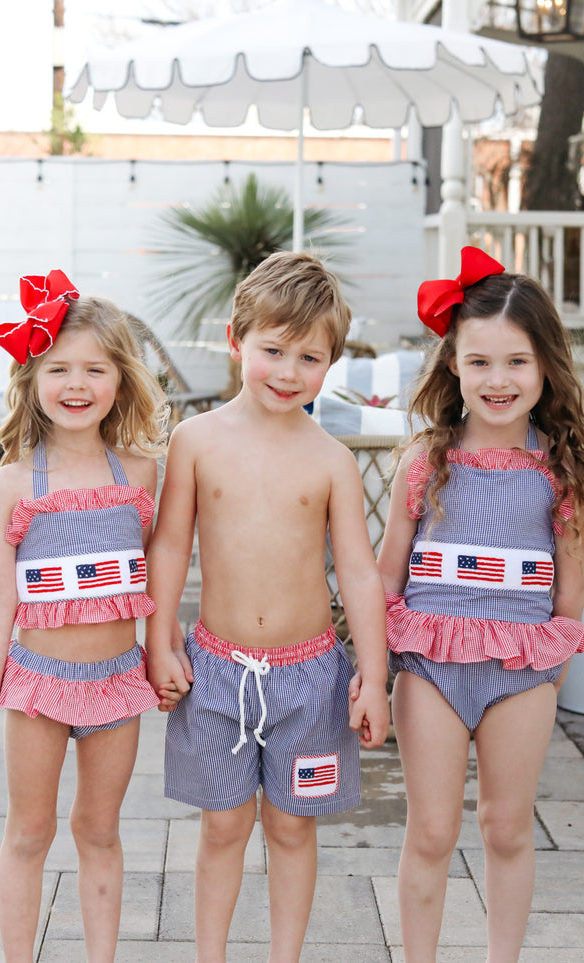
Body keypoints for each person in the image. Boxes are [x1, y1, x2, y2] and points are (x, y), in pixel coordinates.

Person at [144, 251, 390, 963]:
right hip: (215, 672)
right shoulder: (194, 441)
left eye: (308, 357)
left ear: (330, 363)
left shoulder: (330, 460)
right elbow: (167, 549)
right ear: (235, 340)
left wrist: (372, 677)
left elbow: (359, 575)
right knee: (222, 827)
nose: (287, 372)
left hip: (308, 680)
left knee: (290, 827)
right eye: (272, 350)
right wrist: (160, 642)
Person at [0, 269, 167, 963]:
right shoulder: (11, 483)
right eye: (58, 368)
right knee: (29, 831)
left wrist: (165, 654)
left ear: (120, 379)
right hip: (37, 686)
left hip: (116, 682)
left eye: (94, 368)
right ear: (32, 378)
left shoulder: (141, 473)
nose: (76, 383)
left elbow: (161, 574)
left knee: (99, 829)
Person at [377, 247, 584, 963]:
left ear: (545, 366)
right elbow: (386, 577)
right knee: (431, 830)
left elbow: (570, 585)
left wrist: (556, 661)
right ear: (452, 363)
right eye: (478, 362)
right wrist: (372, 673)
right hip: (430, 669)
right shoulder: (425, 462)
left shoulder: (560, 468)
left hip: (520, 670)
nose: (497, 379)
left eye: (516, 361)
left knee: (507, 827)